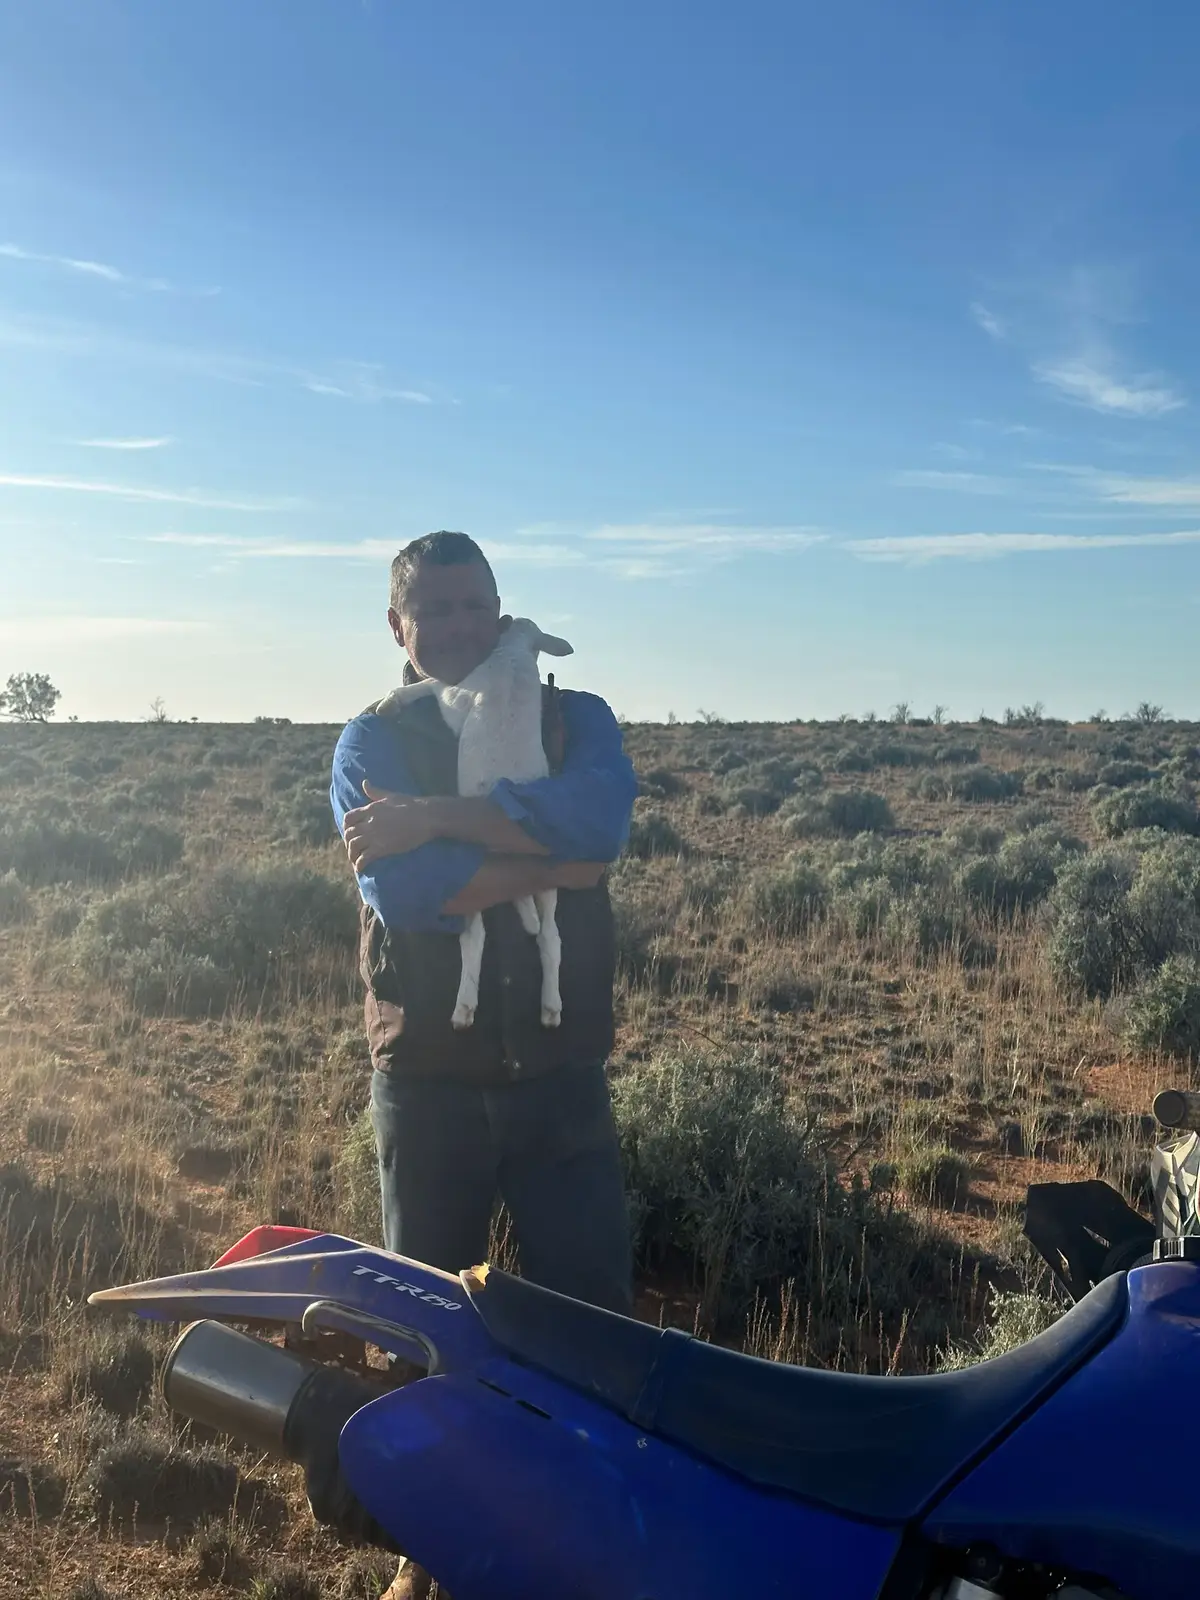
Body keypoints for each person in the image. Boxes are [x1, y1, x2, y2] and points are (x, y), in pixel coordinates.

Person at [329, 531, 637, 1600]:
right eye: (440, 609)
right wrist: (547, 859)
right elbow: (406, 897)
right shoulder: (372, 739)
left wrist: (439, 822)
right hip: (430, 1087)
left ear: (505, 612)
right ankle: (427, 1550)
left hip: (561, 1080)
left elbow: (602, 822)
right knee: (427, 1331)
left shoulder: (573, 716)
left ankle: (579, 1525)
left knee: (591, 1322)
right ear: (397, 626)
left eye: (481, 607)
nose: (463, 628)